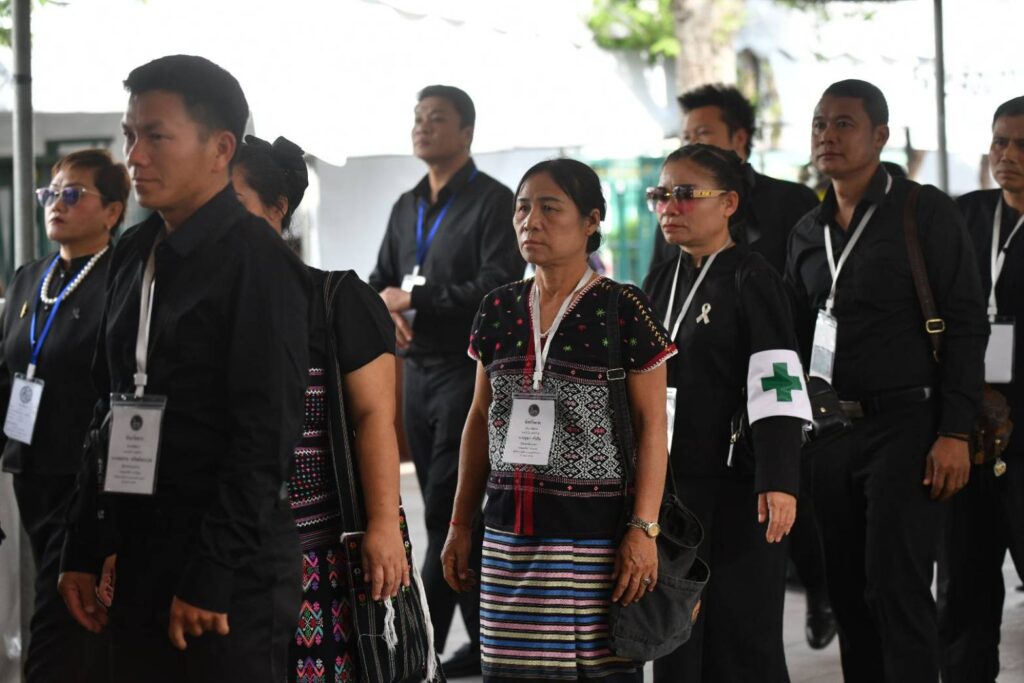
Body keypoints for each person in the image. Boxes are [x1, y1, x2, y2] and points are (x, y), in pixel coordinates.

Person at [57, 55, 310, 683]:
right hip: (138, 553)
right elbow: (105, 406)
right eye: (129, 136)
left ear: (221, 147)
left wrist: (213, 572)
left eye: (155, 136)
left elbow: (265, 434)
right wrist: (82, 547)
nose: (134, 157)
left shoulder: (257, 262)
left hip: (227, 569)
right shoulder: (135, 252)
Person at [785, 79, 988, 682]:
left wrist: (954, 431)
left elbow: (967, 325)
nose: (828, 136)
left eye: (844, 124)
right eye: (820, 123)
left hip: (908, 426)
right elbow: (795, 340)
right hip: (828, 432)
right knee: (848, 593)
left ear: (880, 135)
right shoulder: (805, 230)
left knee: (896, 591)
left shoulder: (924, 211)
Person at [441, 158, 674, 682]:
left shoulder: (623, 308)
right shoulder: (497, 308)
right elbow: (480, 419)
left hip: (596, 540)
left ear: (592, 220)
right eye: (522, 208)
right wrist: (461, 524)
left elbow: (653, 426)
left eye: (550, 208)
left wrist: (643, 530)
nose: (531, 221)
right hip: (507, 537)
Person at [651, 83, 833, 649]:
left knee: (740, 638)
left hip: (738, 484)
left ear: (728, 202)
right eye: (661, 195)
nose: (670, 207)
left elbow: (779, 384)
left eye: (686, 194)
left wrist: (779, 479)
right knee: (679, 641)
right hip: (671, 484)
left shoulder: (754, 278)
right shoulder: (659, 281)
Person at [231, 134, 411, 682]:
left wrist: (382, 526)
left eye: (231, 204)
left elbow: (373, 418)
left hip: (321, 555)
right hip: (226, 551)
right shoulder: (199, 304)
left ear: (277, 208)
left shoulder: (334, 299)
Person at [368, 84, 523, 677]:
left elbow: (495, 284)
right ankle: (487, 645)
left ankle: (417, 648)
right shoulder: (407, 203)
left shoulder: (493, 202)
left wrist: (416, 299)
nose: (422, 127)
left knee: (448, 508)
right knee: (439, 516)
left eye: (437, 119)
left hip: (470, 372)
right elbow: (380, 278)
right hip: (417, 372)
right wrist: (388, 308)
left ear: (467, 132)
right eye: (417, 118)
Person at [0, 149, 127, 682]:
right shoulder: (30, 278)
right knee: (69, 624)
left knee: (58, 629)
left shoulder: (122, 277)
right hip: (30, 472)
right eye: (50, 193)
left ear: (112, 212)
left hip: (85, 482)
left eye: (73, 193)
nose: (57, 203)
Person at [938, 95, 1024, 682]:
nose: (1007, 156)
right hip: (966, 428)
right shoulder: (963, 216)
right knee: (963, 587)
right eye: (999, 142)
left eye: (1021, 145)